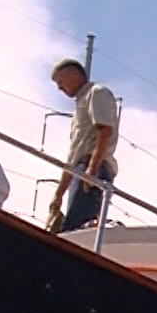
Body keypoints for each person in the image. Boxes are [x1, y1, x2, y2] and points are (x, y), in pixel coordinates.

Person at [47, 57, 120, 232]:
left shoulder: (96, 93)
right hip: (80, 168)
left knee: (77, 227)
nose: (60, 88)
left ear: (73, 75)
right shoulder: (80, 104)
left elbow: (104, 131)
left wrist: (92, 171)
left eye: (61, 81)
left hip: (91, 166)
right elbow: (73, 155)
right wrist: (58, 195)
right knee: (71, 227)